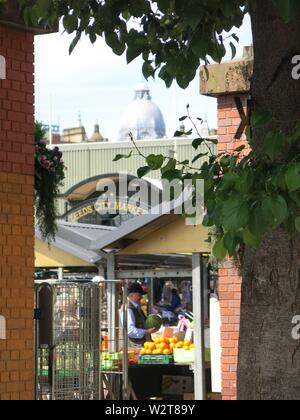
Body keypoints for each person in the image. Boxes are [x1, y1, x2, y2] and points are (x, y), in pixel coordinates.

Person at [126, 283, 159, 348]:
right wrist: (147, 331)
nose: (141, 297)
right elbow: (130, 331)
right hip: (134, 347)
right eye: (139, 295)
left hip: (142, 345)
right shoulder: (128, 310)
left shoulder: (137, 308)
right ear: (131, 295)